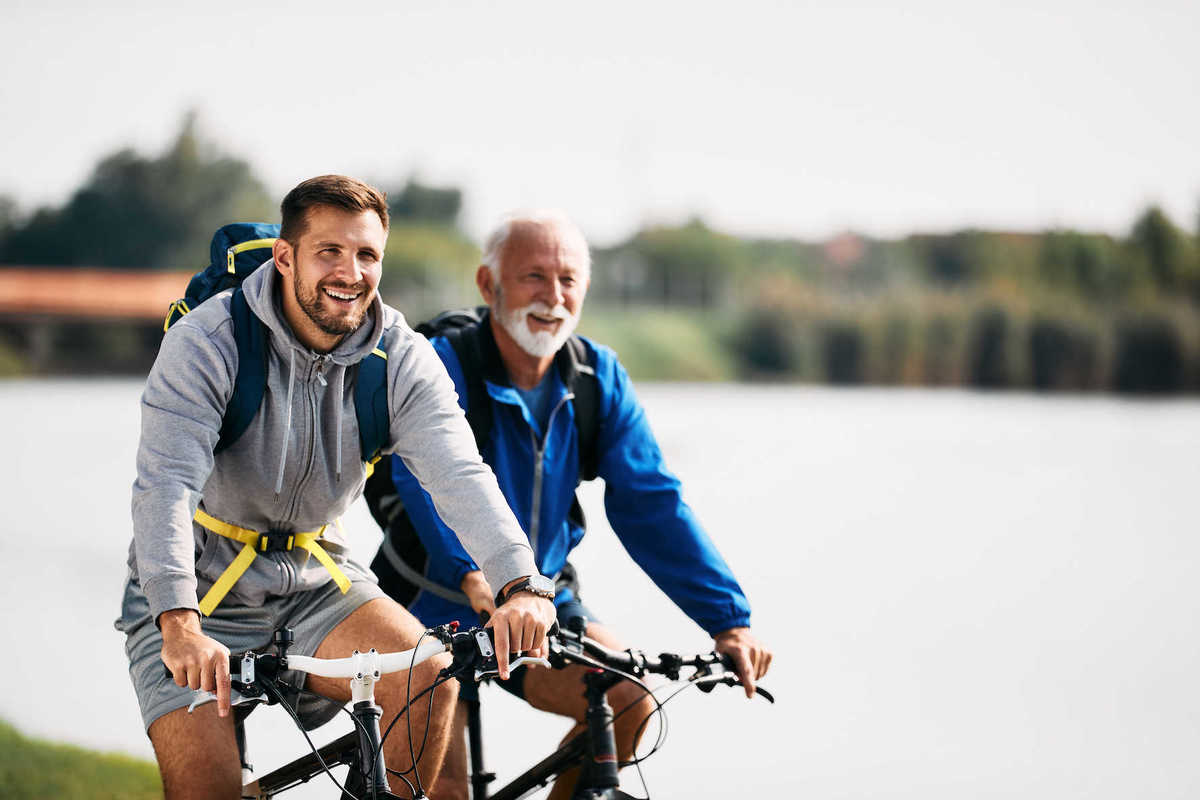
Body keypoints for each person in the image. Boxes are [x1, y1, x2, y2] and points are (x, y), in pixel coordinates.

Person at [115, 175, 556, 800]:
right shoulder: (208, 343)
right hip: (196, 588)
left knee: (430, 676)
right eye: (330, 252)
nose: (351, 273)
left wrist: (521, 582)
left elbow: (460, 474)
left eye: (367, 255)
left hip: (318, 578)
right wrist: (178, 619)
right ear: (285, 257)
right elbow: (165, 487)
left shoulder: (399, 356)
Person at [368, 210, 773, 799]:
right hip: (429, 604)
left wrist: (729, 620)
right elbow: (420, 481)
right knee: (441, 789)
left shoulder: (595, 378)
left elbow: (653, 504)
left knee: (629, 702)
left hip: (538, 602)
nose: (553, 297)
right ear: (489, 285)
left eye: (568, 280)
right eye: (533, 277)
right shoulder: (440, 364)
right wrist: (478, 577)